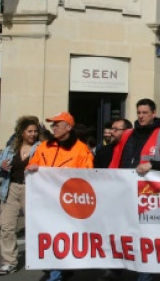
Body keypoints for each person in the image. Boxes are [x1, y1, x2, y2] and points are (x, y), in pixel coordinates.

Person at [26, 112, 94, 281]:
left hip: (69, 202)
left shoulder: (81, 149)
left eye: (57, 124)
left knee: (62, 236)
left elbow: (88, 175)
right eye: (52, 124)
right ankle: (61, 268)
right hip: (47, 201)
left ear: (69, 127)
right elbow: (32, 164)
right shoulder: (44, 147)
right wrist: (32, 166)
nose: (53, 127)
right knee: (52, 236)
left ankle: (57, 273)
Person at [0, 115, 42, 275]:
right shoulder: (10, 149)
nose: (33, 134)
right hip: (11, 188)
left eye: (35, 131)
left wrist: (38, 167)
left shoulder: (42, 147)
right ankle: (9, 262)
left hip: (31, 190)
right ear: (22, 132)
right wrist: (2, 165)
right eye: (29, 131)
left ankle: (41, 257)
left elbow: (50, 167)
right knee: (7, 227)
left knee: (36, 226)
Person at [108, 99, 160, 175]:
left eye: (145, 113)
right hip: (124, 182)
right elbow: (115, 156)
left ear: (153, 114)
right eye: (138, 113)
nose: (141, 116)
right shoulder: (127, 133)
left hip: (148, 184)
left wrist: (152, 165)